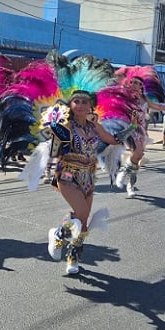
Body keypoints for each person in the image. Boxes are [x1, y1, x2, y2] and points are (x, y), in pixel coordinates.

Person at [46, 90, 123, 274]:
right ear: (70, 105)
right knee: (80, 212)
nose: (80, 105)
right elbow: (54, 146)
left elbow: (111, 139)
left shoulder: (94, 126)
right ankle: (58, 234)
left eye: (84, 102)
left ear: (91, 106)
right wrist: (54, 128)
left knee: (83, 221)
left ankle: (73, 257)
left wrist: (132, 129)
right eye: (76, 101)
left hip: (88, 176)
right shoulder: (65, 124)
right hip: (67, 174)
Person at [115, 76, 165, 197]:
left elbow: (157, 106)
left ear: (141, 86)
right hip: (129, 129)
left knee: (138, 158)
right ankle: (122, 172)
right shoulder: (125, 96)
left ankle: (130, 185)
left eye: (137, 83)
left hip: (141, 131)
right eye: (132, 82)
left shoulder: (144, 98)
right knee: (137, 153)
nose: (134, 84)